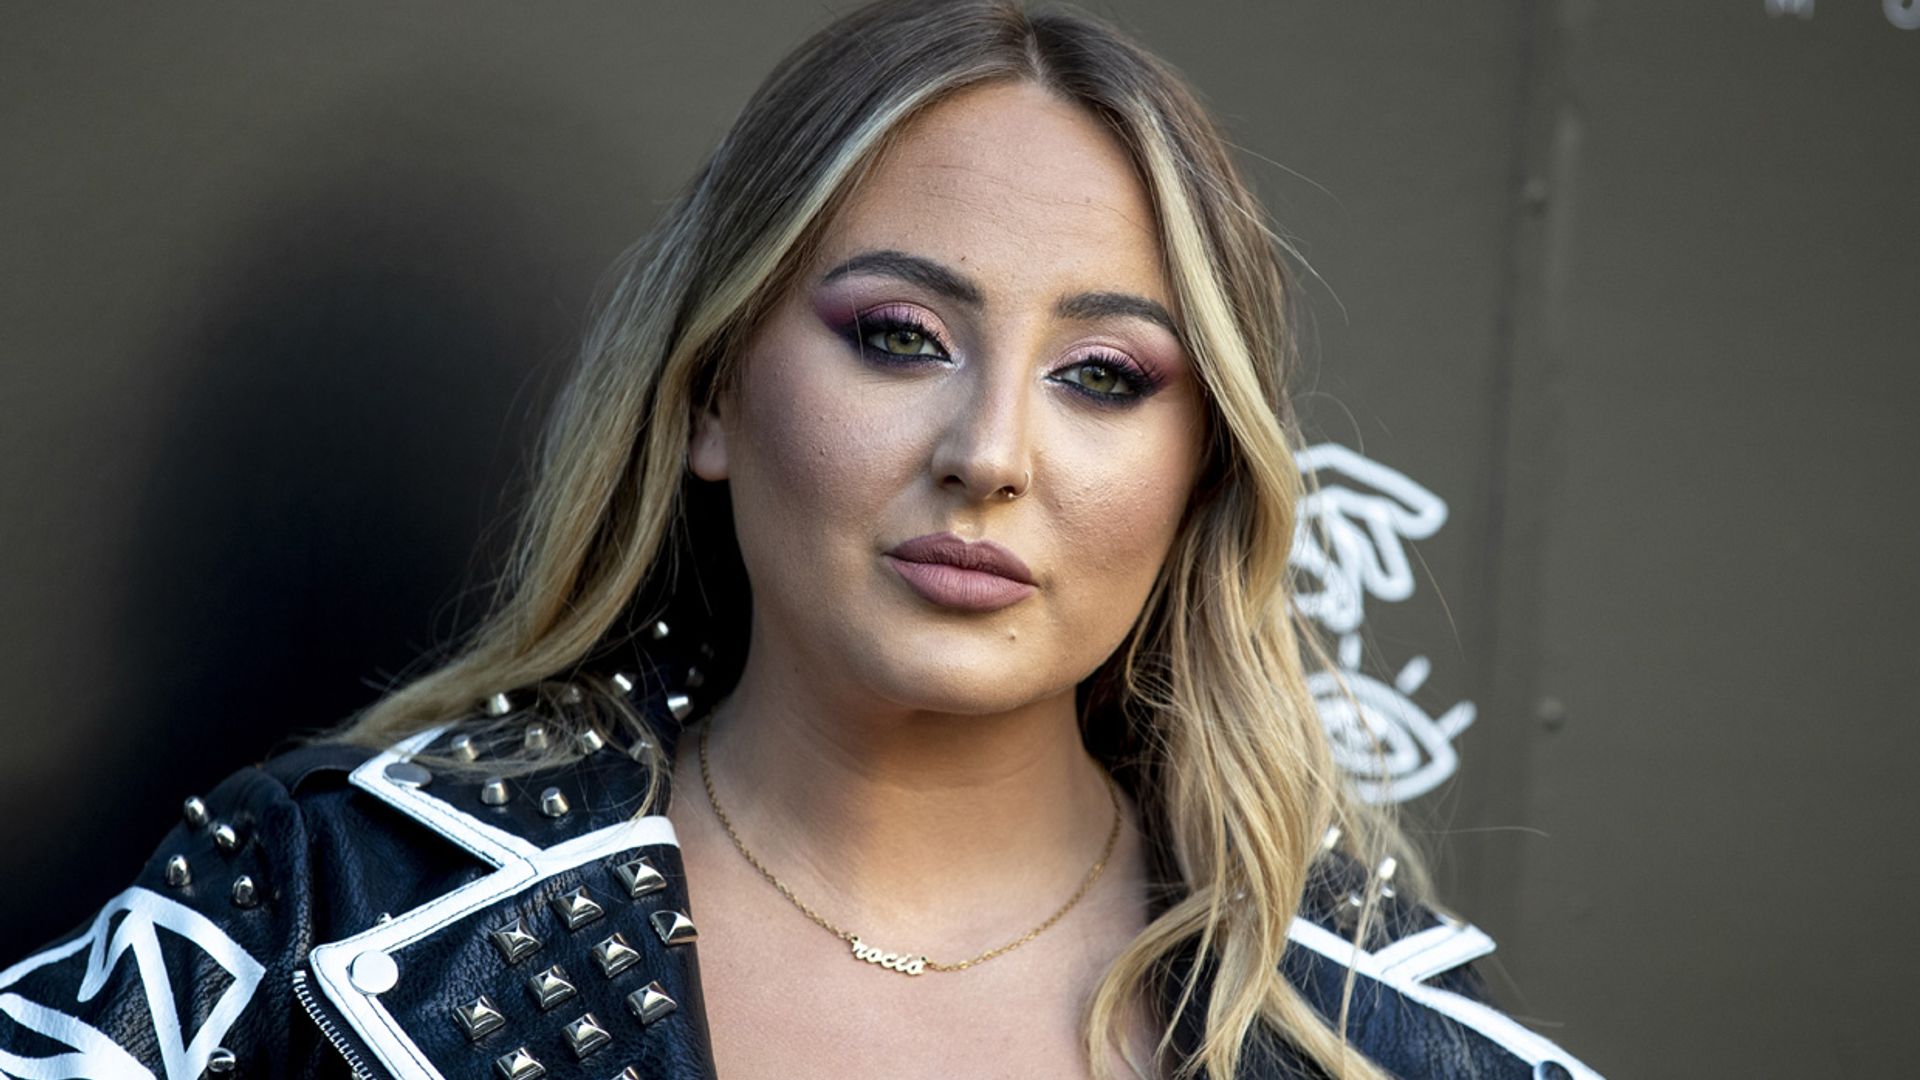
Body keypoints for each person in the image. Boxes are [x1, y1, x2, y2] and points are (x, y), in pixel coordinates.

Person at [0, 1, 1604, 1077]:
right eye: (901, 336)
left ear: (1203, 472)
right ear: (710, 393)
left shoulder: (1385, 1033)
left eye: (1105, 377)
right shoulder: (309, 913)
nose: (989, 455)